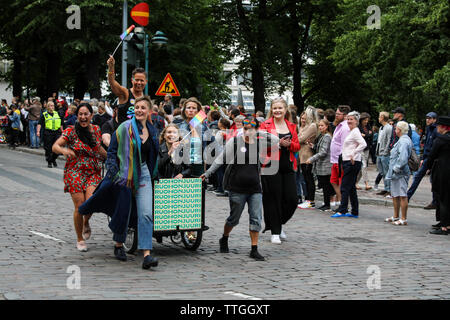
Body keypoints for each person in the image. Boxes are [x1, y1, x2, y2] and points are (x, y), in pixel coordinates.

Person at [79, 96, 160, 269]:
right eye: (137, 107)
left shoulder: (152, 130)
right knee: (123, 209)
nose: (139, 110)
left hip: (144, 174)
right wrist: (114, 172)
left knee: (146, 213)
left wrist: (156, 172)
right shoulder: (124, 128)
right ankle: (118, 244)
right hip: (124, 173)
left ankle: (146, 254)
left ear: (149, 111)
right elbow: (112, 152)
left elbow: (154, 154)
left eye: (143, 108)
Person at [201, 116, 279, 260]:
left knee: (256, 218)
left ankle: (254, 249)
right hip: (236, 187)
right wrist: (208, 173)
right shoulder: (235, 141)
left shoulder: (259, 142)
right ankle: (224, 237)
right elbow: (221, 158)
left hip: (255, 187)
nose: (248, 132)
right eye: (246, 128)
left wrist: (259, 133)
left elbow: (275, 141)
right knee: (234, 219)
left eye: (252, 129)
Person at [52, 103, 107, 251]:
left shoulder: (96, 130)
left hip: (92, 171)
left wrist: (110, 157)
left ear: (91, 115)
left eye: (86, 114)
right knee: (79, 205)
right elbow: (55, 146)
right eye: (80, 114)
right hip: (74, 171)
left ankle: (85, 222)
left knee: (90, 203)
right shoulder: (71, 131)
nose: (83, 117)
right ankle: (79, 238)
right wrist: (64, 151)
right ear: (77, 116)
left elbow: (98, 148)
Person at [259, 98, 300, 244]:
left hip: (287, 166)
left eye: (280, 108)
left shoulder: (292, 126)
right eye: (275, 108)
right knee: (273, 198)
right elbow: (262, 145)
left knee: (292, 199)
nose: (277, 111)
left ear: (285, 110)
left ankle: (278, 223)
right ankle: (275, 231)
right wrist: (278, 143)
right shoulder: (265, 125)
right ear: (271, 109)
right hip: (270, 166)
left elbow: (297, 146)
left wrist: (289, 145)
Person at [331, 111, 367, 218]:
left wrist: (353, 153)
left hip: (352, 162)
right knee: (351, 187)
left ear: (356, 121)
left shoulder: (355, 131)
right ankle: (354, 211)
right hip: (349, 161)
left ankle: (342, 210)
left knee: (345, 186)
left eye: (351, 119)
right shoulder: (353, 131)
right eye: (348, 119)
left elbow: (363, 144)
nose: (349, 121)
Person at [384, 121, 413, 226]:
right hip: (396, 172)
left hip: (400, 172)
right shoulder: (402, 140)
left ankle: (404, 218)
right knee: (395, 194)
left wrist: (396, 168)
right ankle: (396, 216)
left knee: (402, 195)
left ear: (399, 130)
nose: (395, 130)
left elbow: (403, 157)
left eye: (396, 129)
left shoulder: (404, 141)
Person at [407, 112, 438, 209]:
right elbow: (427, 145)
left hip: (432, 158)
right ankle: (408, 196)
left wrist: (428, 160)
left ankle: (435, 201)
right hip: (427, 158)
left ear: (434, 119)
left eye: (430, 118)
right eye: (427, 118)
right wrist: (423, 158)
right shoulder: (429, 129)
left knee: (432, 180)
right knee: (419, 177)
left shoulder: (436, 130)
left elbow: (434, 146)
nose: (427, 120)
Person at [177, 97, 214, 178]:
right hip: (183, 168)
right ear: (184, 110)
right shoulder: (179, 127)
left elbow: (213, 145)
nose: (191, 110)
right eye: (188, 107)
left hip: (199, 167)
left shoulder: (203, 127)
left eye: (194, 108)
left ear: (198, 111)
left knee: (199, 190)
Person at [426, 116, 450, 235]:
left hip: (442, 171)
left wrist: (427, 167)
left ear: (443, 127)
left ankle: (445, 226)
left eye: (439, 126)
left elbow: (432, 155)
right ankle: (444, 222)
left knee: (443, 198)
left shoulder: (440, 140)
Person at [107, 55, 147, 124]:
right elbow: (112, 82)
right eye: (137, 80)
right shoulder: (125, 93)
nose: (139, 83)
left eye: (142, 80)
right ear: (132, 80)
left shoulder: (146, 100)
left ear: (146, 82)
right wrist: (111, 67)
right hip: (123, 133)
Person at [305, 118, 333, 211]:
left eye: (322, 126)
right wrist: (312, 146)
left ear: (327, 126)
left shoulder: (327, 137)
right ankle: (326, 203)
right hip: (321, 164)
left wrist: (312, 159)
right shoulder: (322, 135)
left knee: (326, 186)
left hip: (325, 164)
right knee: (325, 185)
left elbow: (323, 152)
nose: (320, 127)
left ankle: (327, 204)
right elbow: (320, 148)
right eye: (319, 126)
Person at [329, 105, 351, 207]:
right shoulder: (339, 125)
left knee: (341, 183)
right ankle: (341, 200)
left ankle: (343, 203)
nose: (336, 115)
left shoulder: (345, 127)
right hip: (334, 159)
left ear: (345, 115)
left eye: (338, 114)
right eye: (336, 113)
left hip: (340, 159)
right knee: (333, 181)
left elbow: (344, 145)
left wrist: (342, 160)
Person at [297, 106, 319, 209]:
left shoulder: (312, 126)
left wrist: (300, 138)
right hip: (303, 154)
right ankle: (308, 199)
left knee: (308, 178)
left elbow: (301, 138)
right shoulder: (308, 126)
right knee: (306, 178)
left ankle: (311, 200)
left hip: (307, 155)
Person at [37, 101, 62, 168]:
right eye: (50, 105)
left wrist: (63, 132)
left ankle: (53, 159)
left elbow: (61, 123)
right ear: (48, 107)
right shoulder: (44, 114)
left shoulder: (57, 113)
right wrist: (38, 131)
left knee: (57, 148)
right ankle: (49, 162)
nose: (52, 107)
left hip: (56, 132)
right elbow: (39, 123)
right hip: (48, 132)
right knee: (48, 148)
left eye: (53, 105)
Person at [375, 111, 393, 197]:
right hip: (379, 152)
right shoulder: (381, 128)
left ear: (382, 117)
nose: (378, 118)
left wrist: (386, 151)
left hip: (384, 153)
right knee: (382, 171)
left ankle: (389, 189)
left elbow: (389, 140)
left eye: (379, 117)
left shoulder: (388, 128)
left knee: (386, 171)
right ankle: (386, 188)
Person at [356, 112, 373, 190]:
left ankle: (355, 182)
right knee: (364, 165)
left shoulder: (368, 126)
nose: (366, 122)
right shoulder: (358, 127)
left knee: (362, 167)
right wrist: (367, 135)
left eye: (367, 120)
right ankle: (366, 183)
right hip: (360, 148)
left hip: (367, 148)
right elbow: (360, 136)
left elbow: (371, 135)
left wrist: (365, 135)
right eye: (365, 120)